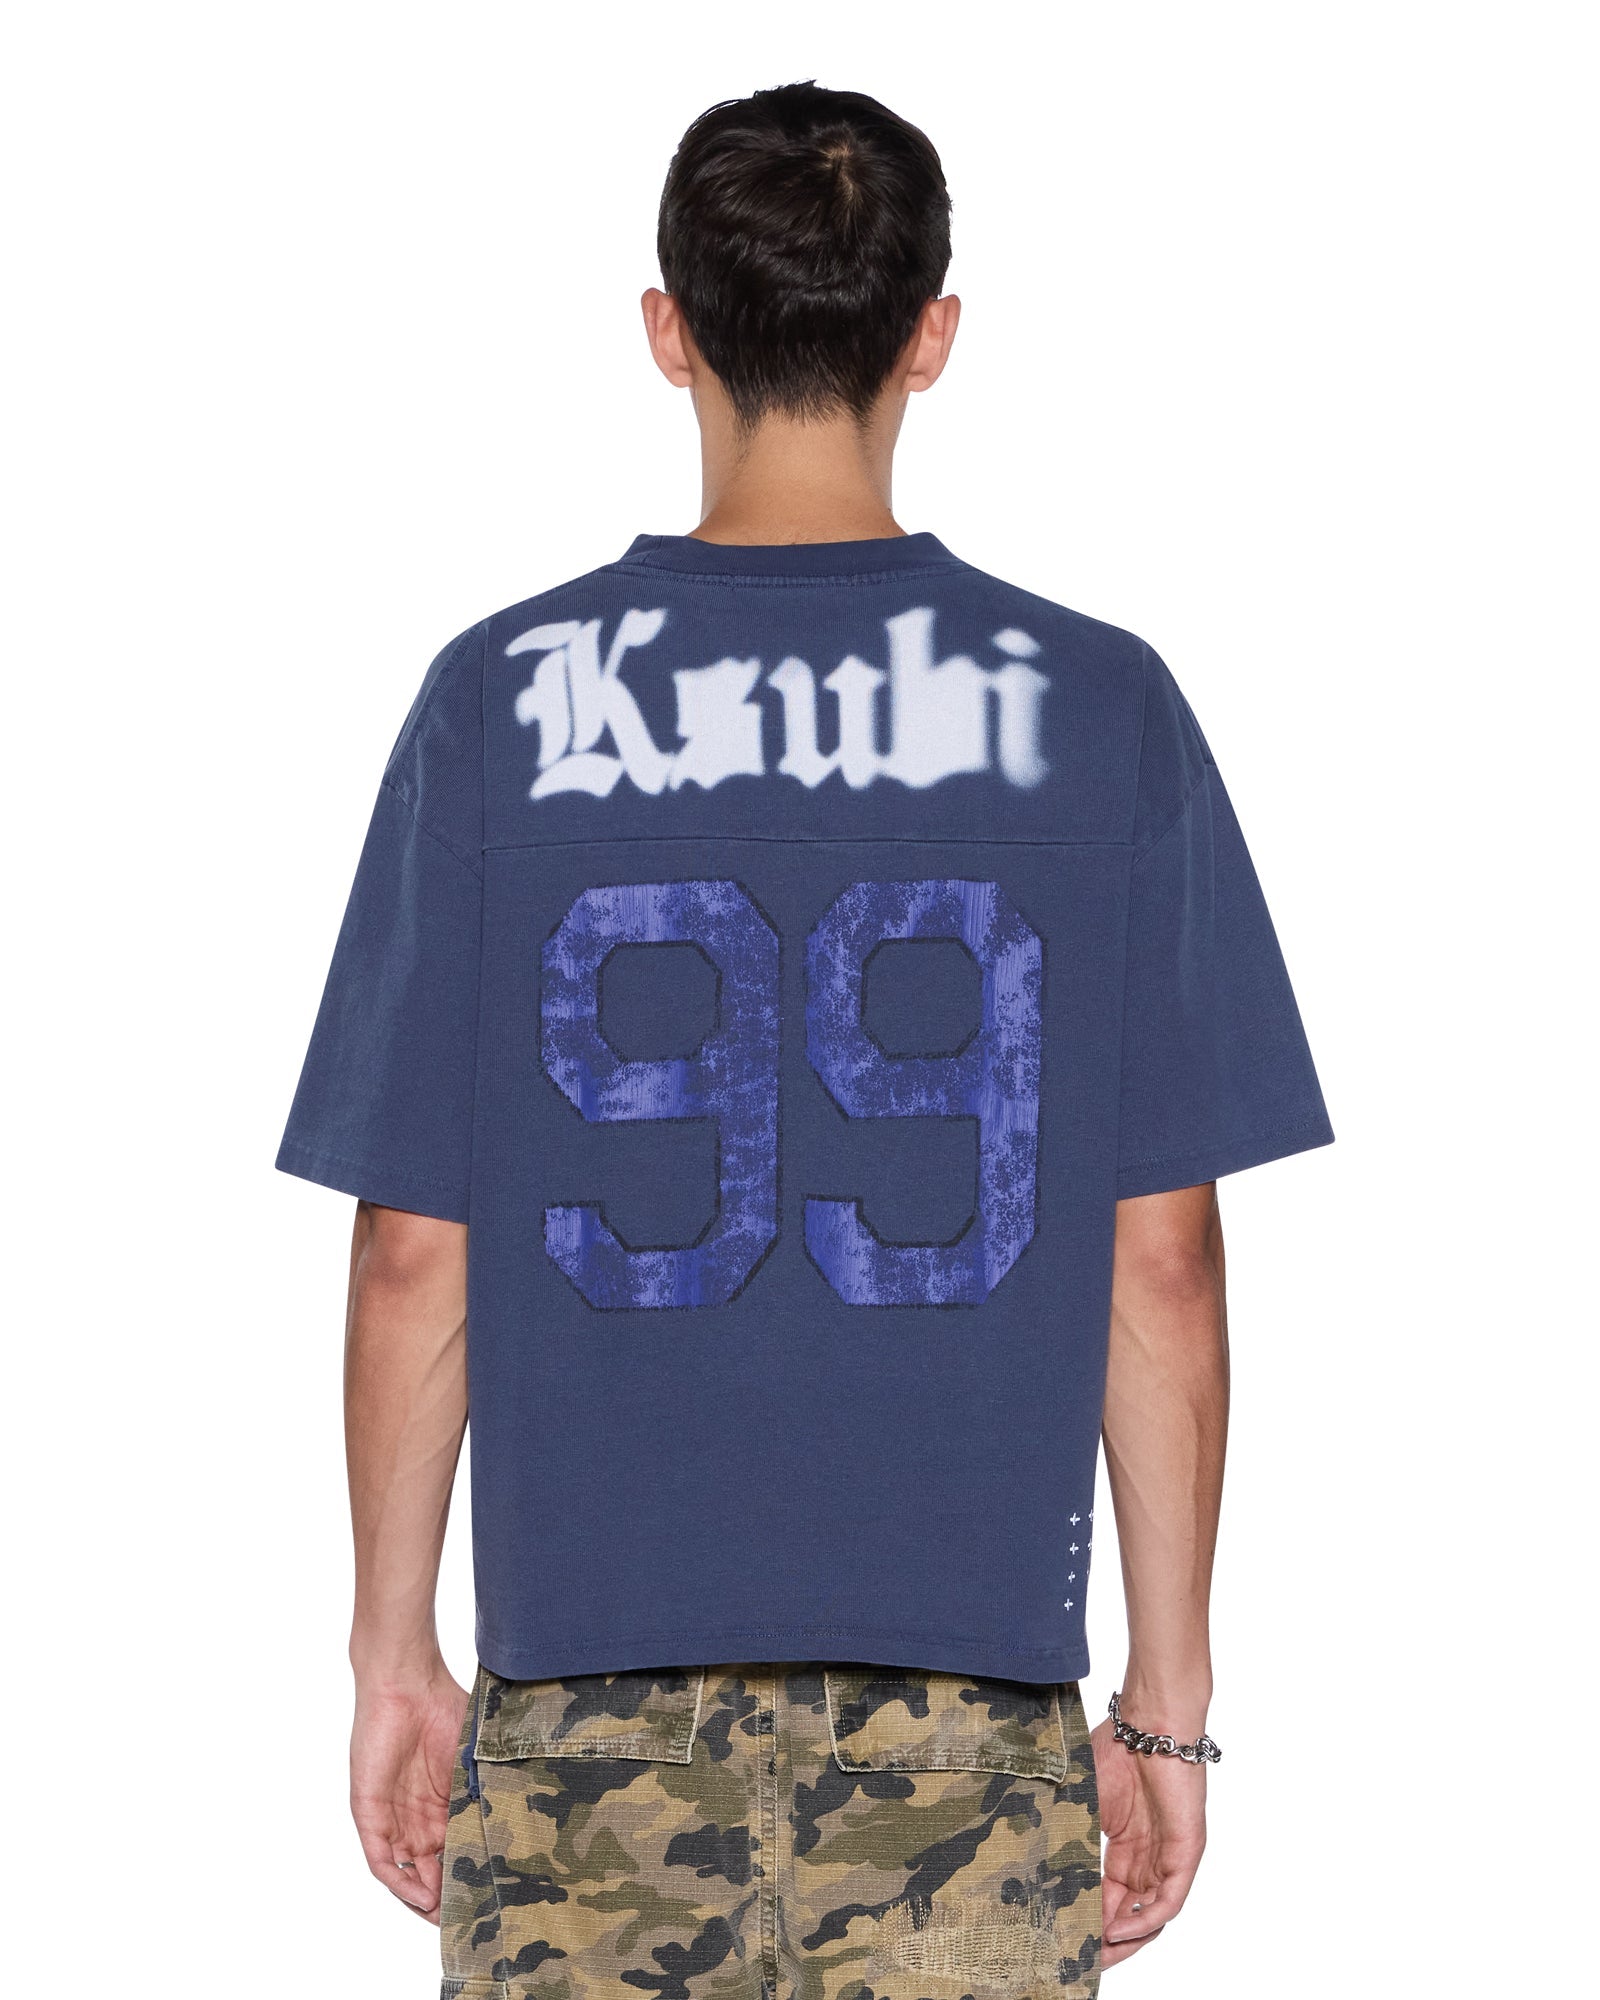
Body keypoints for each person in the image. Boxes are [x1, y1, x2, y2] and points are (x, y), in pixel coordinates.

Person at [277, 81, 1332, 2000]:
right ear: (933, 333)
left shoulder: (500, 701)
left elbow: (413, 1249)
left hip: (584, 1716)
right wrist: (1168, 1707)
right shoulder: (1098, 705)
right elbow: (1160, 1262)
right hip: (968, 1715)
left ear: (666, 328)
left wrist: (389, 1651)